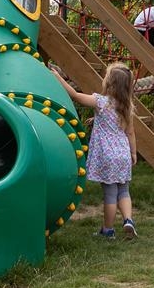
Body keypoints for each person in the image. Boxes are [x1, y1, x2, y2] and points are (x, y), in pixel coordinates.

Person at [53, 63, 139, 241]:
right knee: (124, 191)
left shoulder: (101, 102)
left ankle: (108, 230)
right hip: (123, 154)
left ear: (110, 84)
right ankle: (128, 220)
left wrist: (58, 78)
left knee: (110, 194)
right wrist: (134, 153)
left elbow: (76, 96)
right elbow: (130, 132)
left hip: (108, 157)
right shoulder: (127, 107)